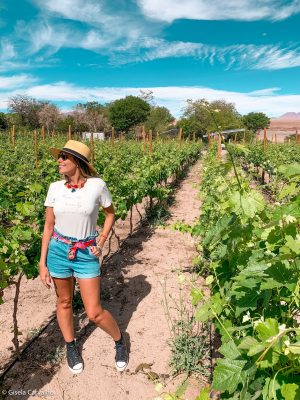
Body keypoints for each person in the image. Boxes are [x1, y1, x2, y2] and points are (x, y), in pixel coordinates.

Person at [39, 140, 128, 374]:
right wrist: (42, 262)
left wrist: (101, 240)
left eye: (64, 157)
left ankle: (119, 340)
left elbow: (110, 214)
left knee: (94, 313)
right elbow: (48, 227)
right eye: (59, 156)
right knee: (64, 302)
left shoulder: (97, 186)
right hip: (58, 251)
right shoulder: (55, 188)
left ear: (77, 161)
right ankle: (71, 345)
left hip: (86, 253)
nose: (59, 160)